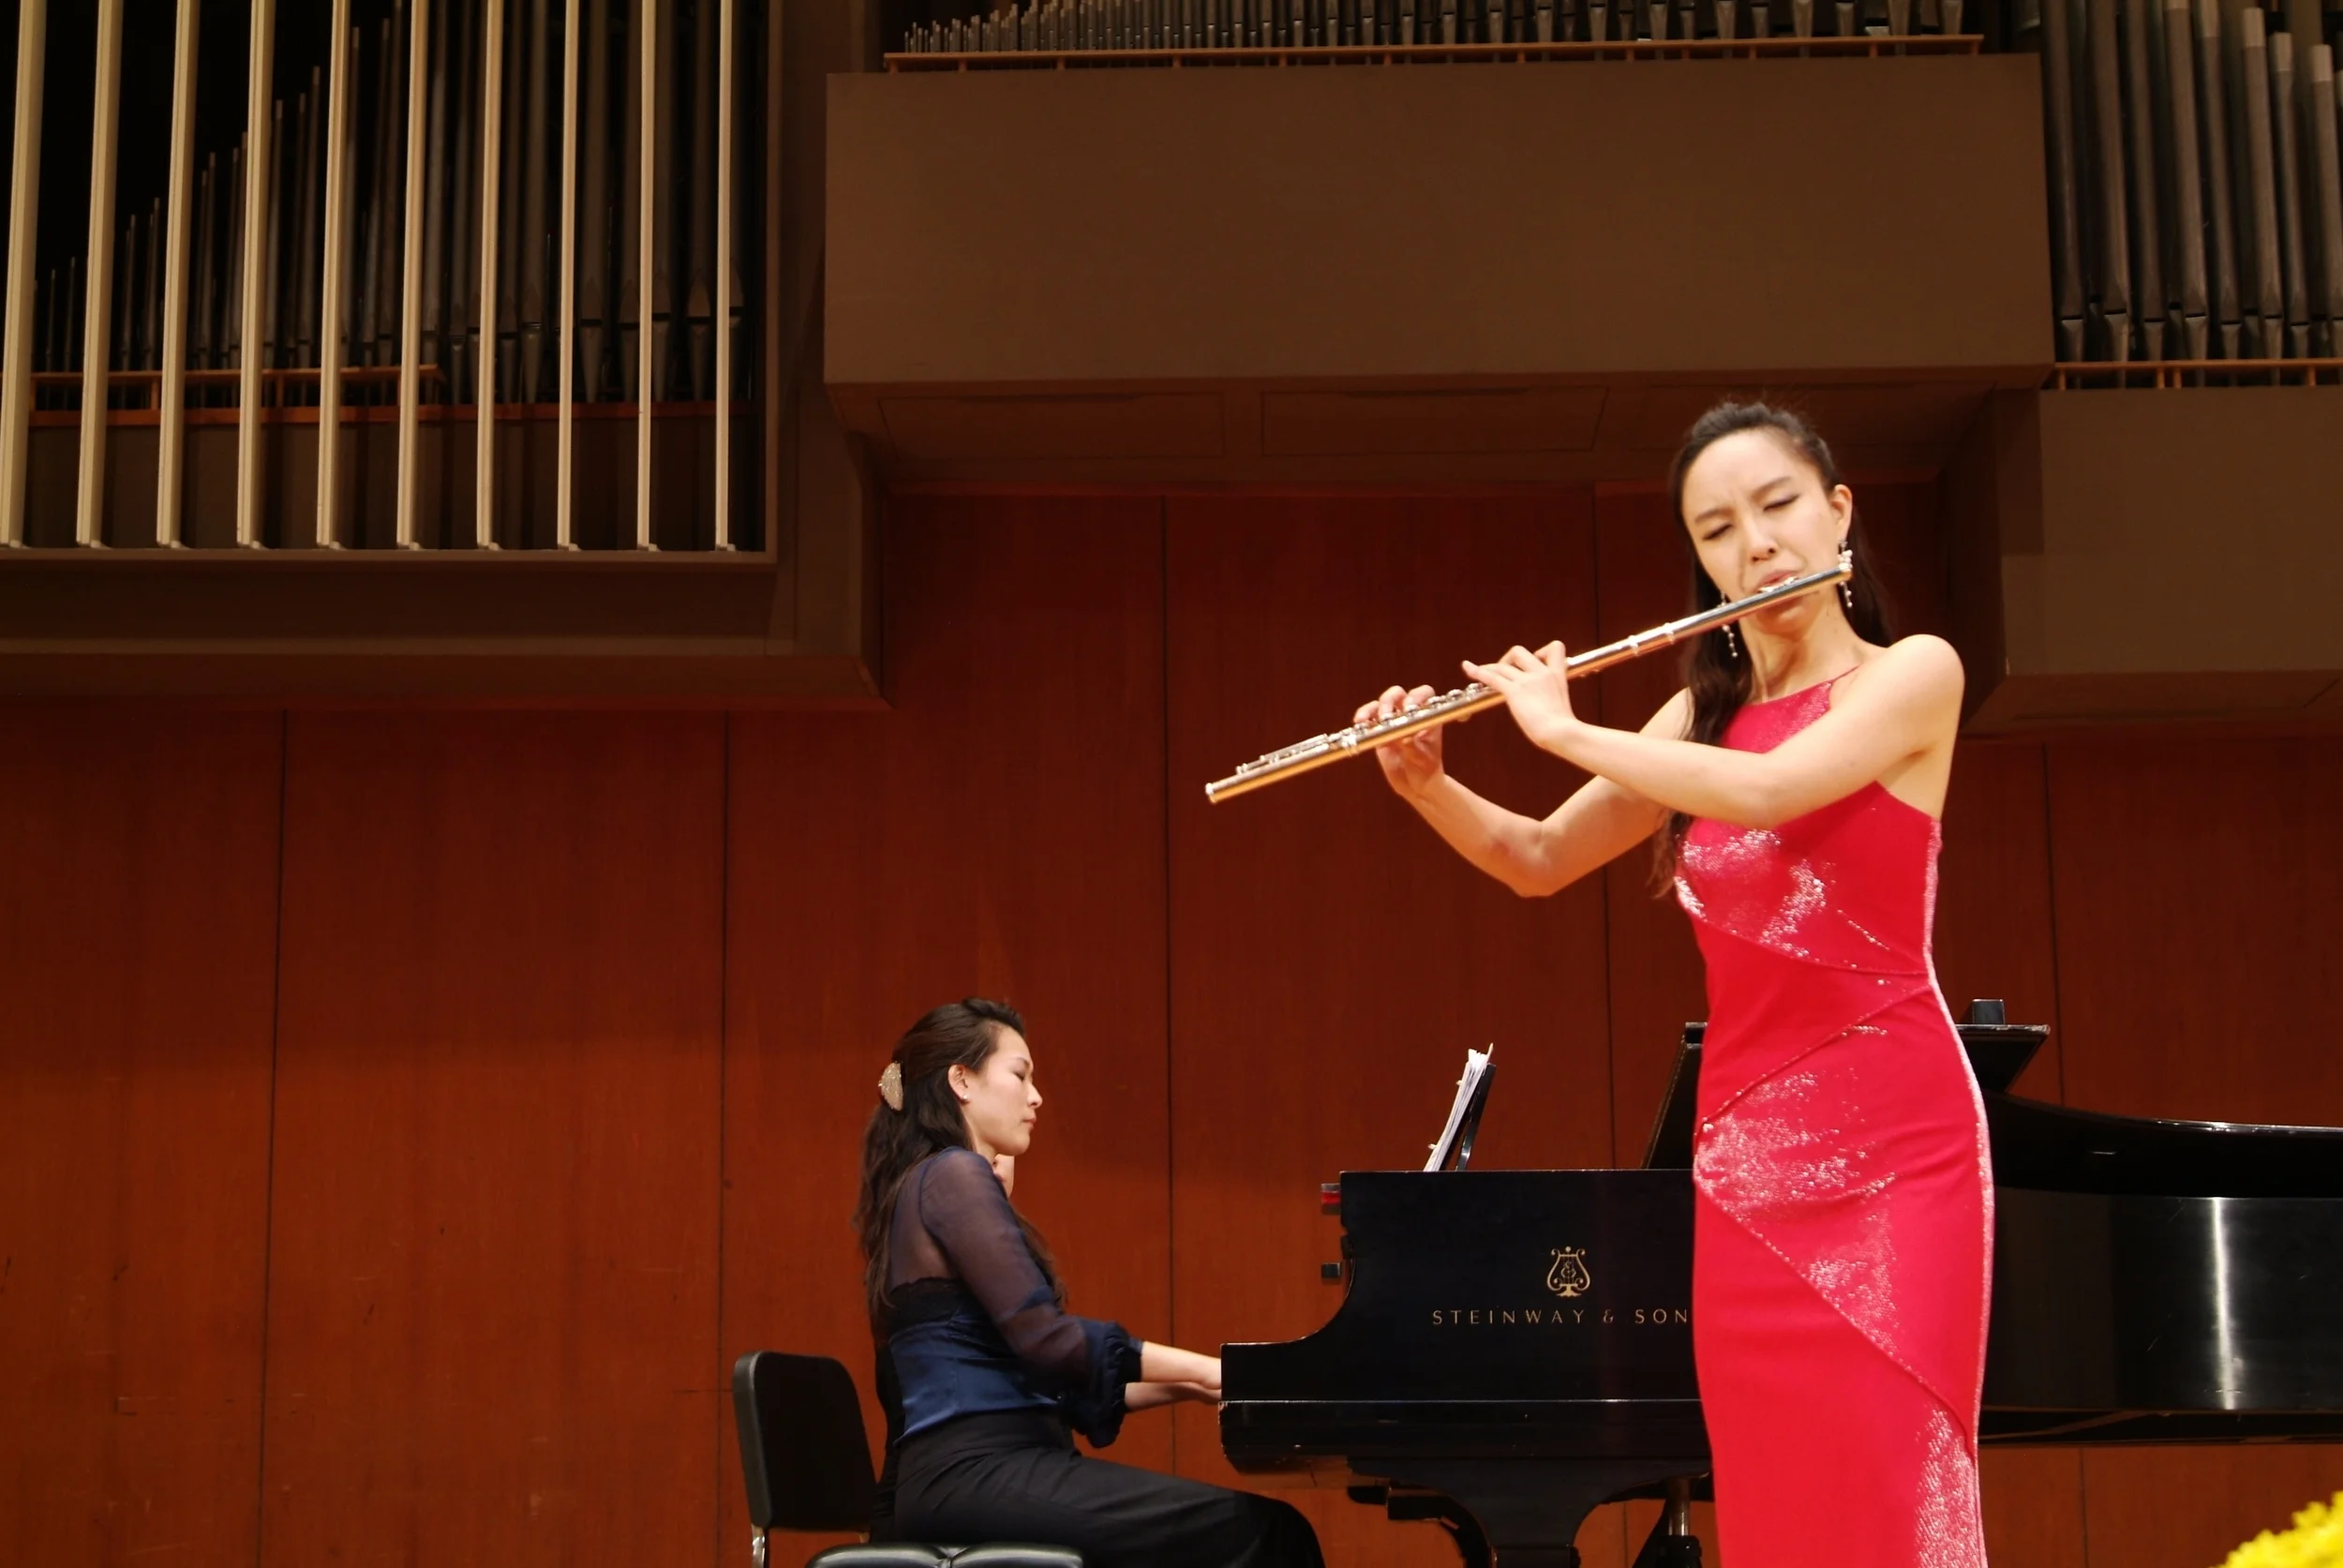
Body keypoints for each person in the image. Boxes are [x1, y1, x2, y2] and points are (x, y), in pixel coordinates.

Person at [1356, 402, 1990, 1568]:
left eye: (1778, 504)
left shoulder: (1913, 676)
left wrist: (1560, 728)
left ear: (1838, 511)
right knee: (1777, 1501)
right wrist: (1425, 784)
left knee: (1890, 1481)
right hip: (1744, 1165)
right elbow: (1537, 859)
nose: (1755, 543)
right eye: (1717, 526)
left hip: (1896, 1151)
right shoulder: (1705, 712)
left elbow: (1771, 792)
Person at [854, 998, 1323, 1568]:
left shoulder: (931, 1184)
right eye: (1020, 1074)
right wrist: (1208, 1370)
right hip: (977, 1474)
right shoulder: (952, 1174)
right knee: (1268, 1536)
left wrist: (1202, 1386)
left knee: (1265, 1531)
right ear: (962, 1081)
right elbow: (1048, 1341)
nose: (1036, 1097)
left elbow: (1059, 1386)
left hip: (981, 1473)